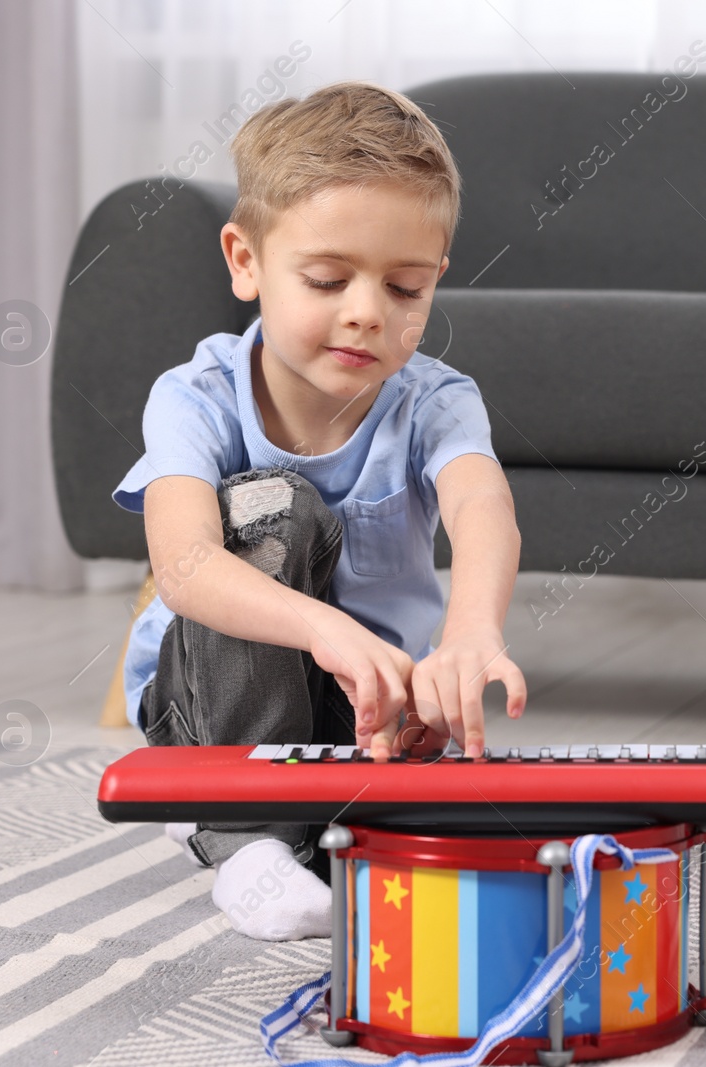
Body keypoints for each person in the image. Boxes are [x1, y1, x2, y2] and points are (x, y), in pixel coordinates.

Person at [110, 82, 527, 940]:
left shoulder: (435, 400)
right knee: (276, 506)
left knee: (447, 840)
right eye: (329, 278)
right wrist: (320, 629)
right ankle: (245, 831)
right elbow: (186, 566)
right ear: (245, 260)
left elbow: (482, 502)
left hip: (362, 712)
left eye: (406, 289)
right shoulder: (192, 397)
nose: (368, 311)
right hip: (207, 715)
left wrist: (472, 631)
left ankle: (327, 824)